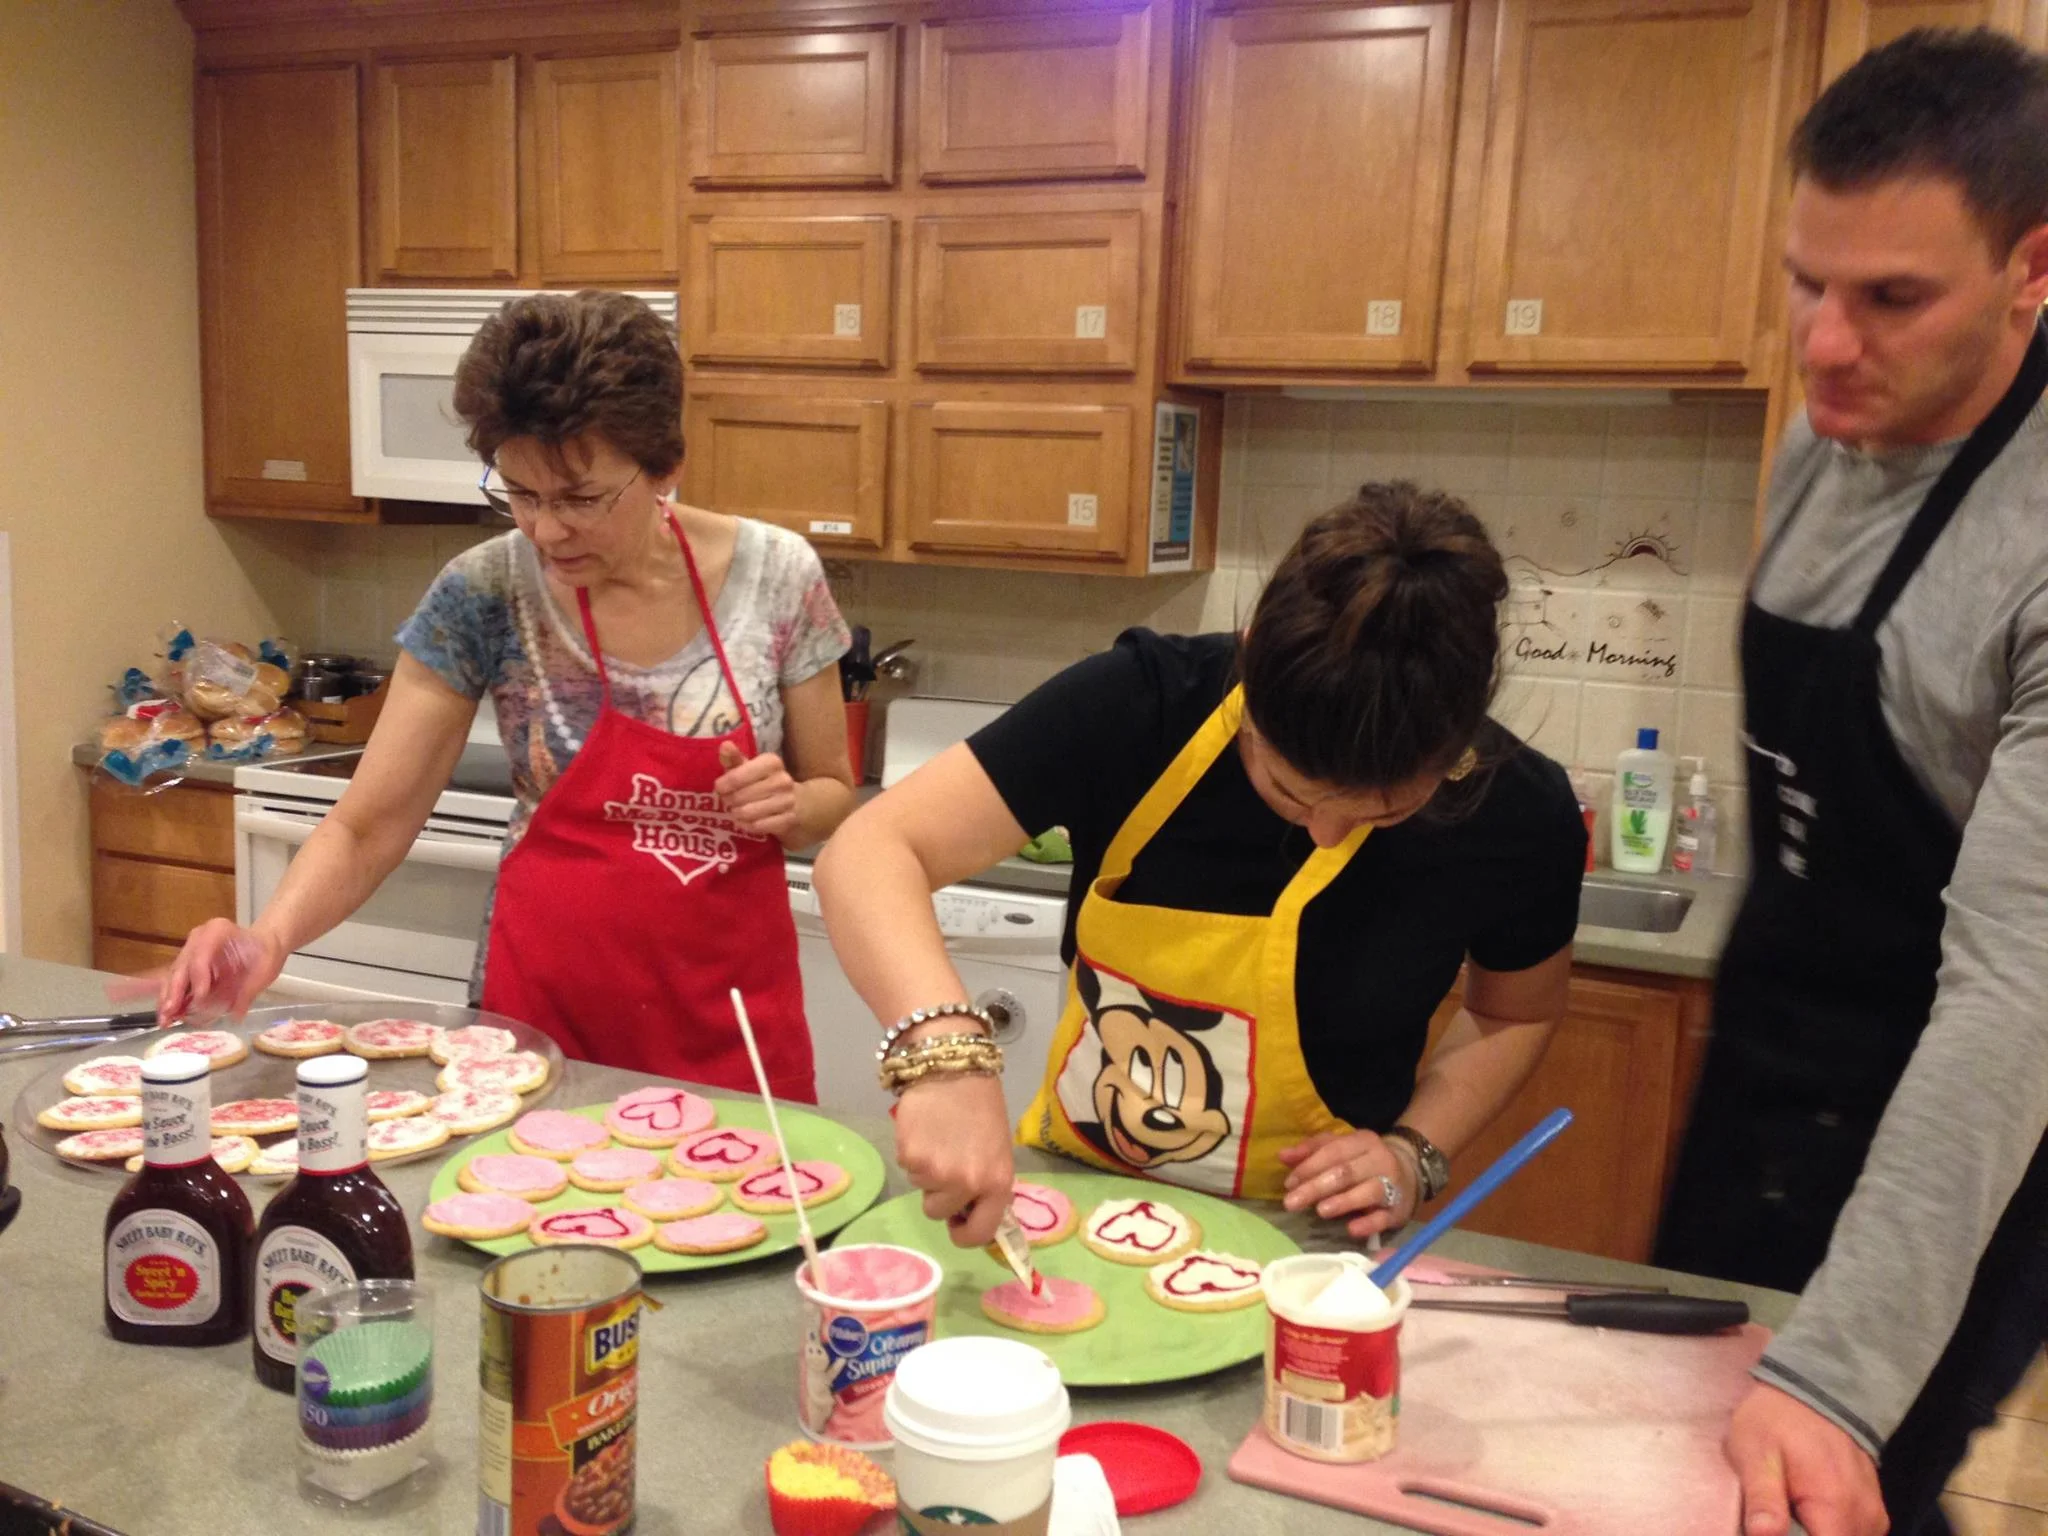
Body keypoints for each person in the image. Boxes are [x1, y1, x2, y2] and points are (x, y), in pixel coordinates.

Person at [1651, 30, 2048, 1536]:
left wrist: (1838, 1377)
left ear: (2032, 269)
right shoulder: (1832, 436)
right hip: (1772, 1063)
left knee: (1834, 1492)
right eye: (1806, 282)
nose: (1822, 345)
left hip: (1962, 1127)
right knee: (1678, 1451)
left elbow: (2016, 994)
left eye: (1891, 297)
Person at [816, 482, 1587, 1246]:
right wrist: (946, 1058)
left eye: (1381, 812)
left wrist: (1413, 1152)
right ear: (1250, 660)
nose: (1323, 837)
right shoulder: (1140, 703)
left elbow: (1513, 1011)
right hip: (1074, 1207)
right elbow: (870, 850)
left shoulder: (1517, 809)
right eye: (1287, 789)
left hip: (1309, 1246)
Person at [157, 291, 856, 1100]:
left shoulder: (781, 577)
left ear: (665, 465)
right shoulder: (483, 592)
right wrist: (267, 937)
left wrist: (792, 808)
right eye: (519, 493)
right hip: (538, 1032)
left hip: (730, 1033)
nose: (545, 529)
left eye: (580, 497)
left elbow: (834, 792)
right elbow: (368, 822)